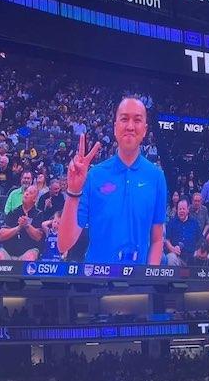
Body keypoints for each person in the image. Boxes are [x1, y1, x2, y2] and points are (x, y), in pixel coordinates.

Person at [58, 97, 166, 265]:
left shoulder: (156, 177)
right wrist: (73, 191)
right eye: (124, 119)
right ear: (115, 128)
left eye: (137, 120)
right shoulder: (94, 176)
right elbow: (64, 244)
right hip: (95, 283)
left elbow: (157, 239)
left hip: (137, 287)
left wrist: (149, 278)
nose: (130, 126)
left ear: (144, 130)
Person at [0, 185, 42, 260]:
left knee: (30, 258)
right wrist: (18, 228)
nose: (26, 193)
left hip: (28, 251)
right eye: (26, 191)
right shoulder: (13, 212)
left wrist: (27, 225)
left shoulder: (38, 214)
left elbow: (38, 237)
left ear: (35, 199)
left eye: (30, 193)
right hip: (8, 252)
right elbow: (1, 236)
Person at [164, 198, 203, 266]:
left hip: (192, 258)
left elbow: (200, 239)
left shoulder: (194, 223)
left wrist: (197, 252)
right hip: (177, 257)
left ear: (188, 210)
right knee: (170, 258)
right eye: (180, 209)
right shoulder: (172, 222)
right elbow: (166, 240)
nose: (181, 211)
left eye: (183, 209)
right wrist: (172, 248)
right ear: (177, 210)